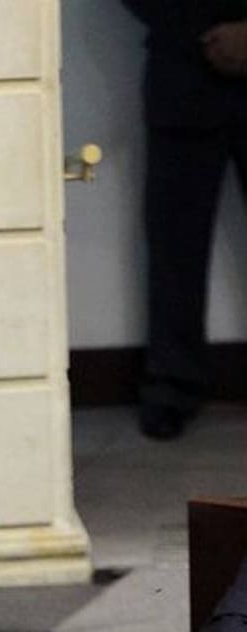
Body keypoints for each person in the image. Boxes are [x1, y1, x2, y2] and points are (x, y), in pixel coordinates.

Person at [122, 2, 247, 439]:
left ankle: (172, 384)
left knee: (175, 244)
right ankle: (173, 385)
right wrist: (204, 30)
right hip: (184, 69)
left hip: (184, 67)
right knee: (176, 246)